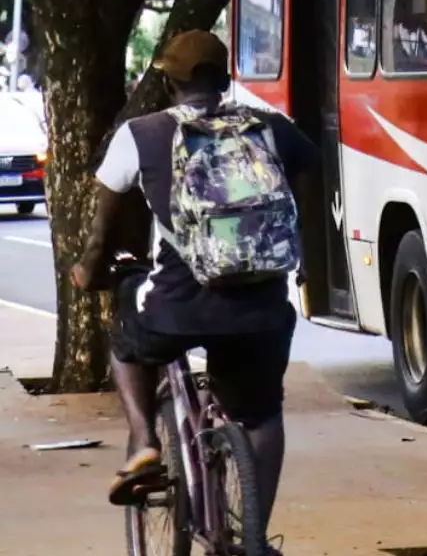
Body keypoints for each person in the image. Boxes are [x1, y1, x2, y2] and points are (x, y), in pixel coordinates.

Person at [68, 30, 319, 537]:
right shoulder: (273, 130)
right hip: (262, 309)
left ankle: (143, 442)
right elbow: (311, 182)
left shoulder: (141, 134)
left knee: (126, 343)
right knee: (262, 416)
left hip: (176, 306)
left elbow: (102, 233)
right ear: (226, 78)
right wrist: (305, 261)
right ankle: (253, 539)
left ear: (166, 82)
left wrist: (90, 271)